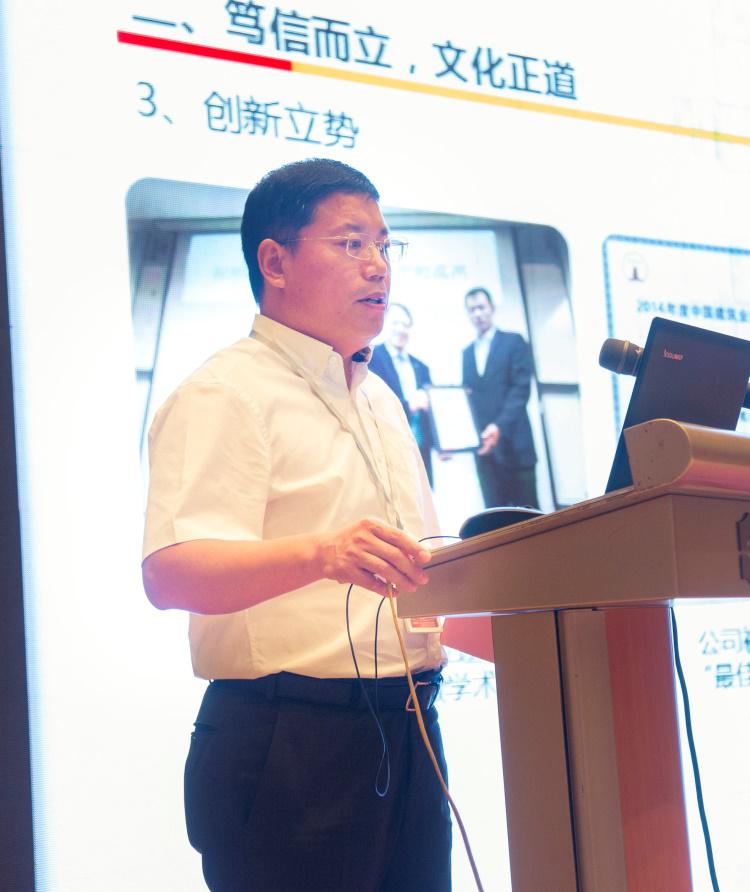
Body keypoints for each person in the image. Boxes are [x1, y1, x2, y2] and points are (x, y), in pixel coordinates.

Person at [141, 159, 451, 891]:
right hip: (291, 742)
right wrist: (322, 553)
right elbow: (170, 573)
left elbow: (420, 569)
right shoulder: (226, 392)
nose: (378, 265)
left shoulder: (378, 398)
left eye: (385, 245)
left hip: (410, 727)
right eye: (351, 244)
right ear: (274, 262)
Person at [461, 286, 539, 508]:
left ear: (492, 308)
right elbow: (469, 399)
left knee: (529, 516)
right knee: (495, 517)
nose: (478, 314)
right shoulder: (467, 353)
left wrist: (498, 426)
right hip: (485, 452)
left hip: (516, 447)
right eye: (472, 309)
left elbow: (521, 390)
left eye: (481, 307)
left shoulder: (514, 342)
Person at [370, 302, 436, 484]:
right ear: (385, 323)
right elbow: (372, 405)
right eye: (396, 323)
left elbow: (431, 413)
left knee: (424, 498)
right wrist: (409, 406)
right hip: (388, 452)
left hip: (421, 453)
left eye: (406, 325)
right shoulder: (371, 360)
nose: (401, 329)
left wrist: (441, 443)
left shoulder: (422, 367)